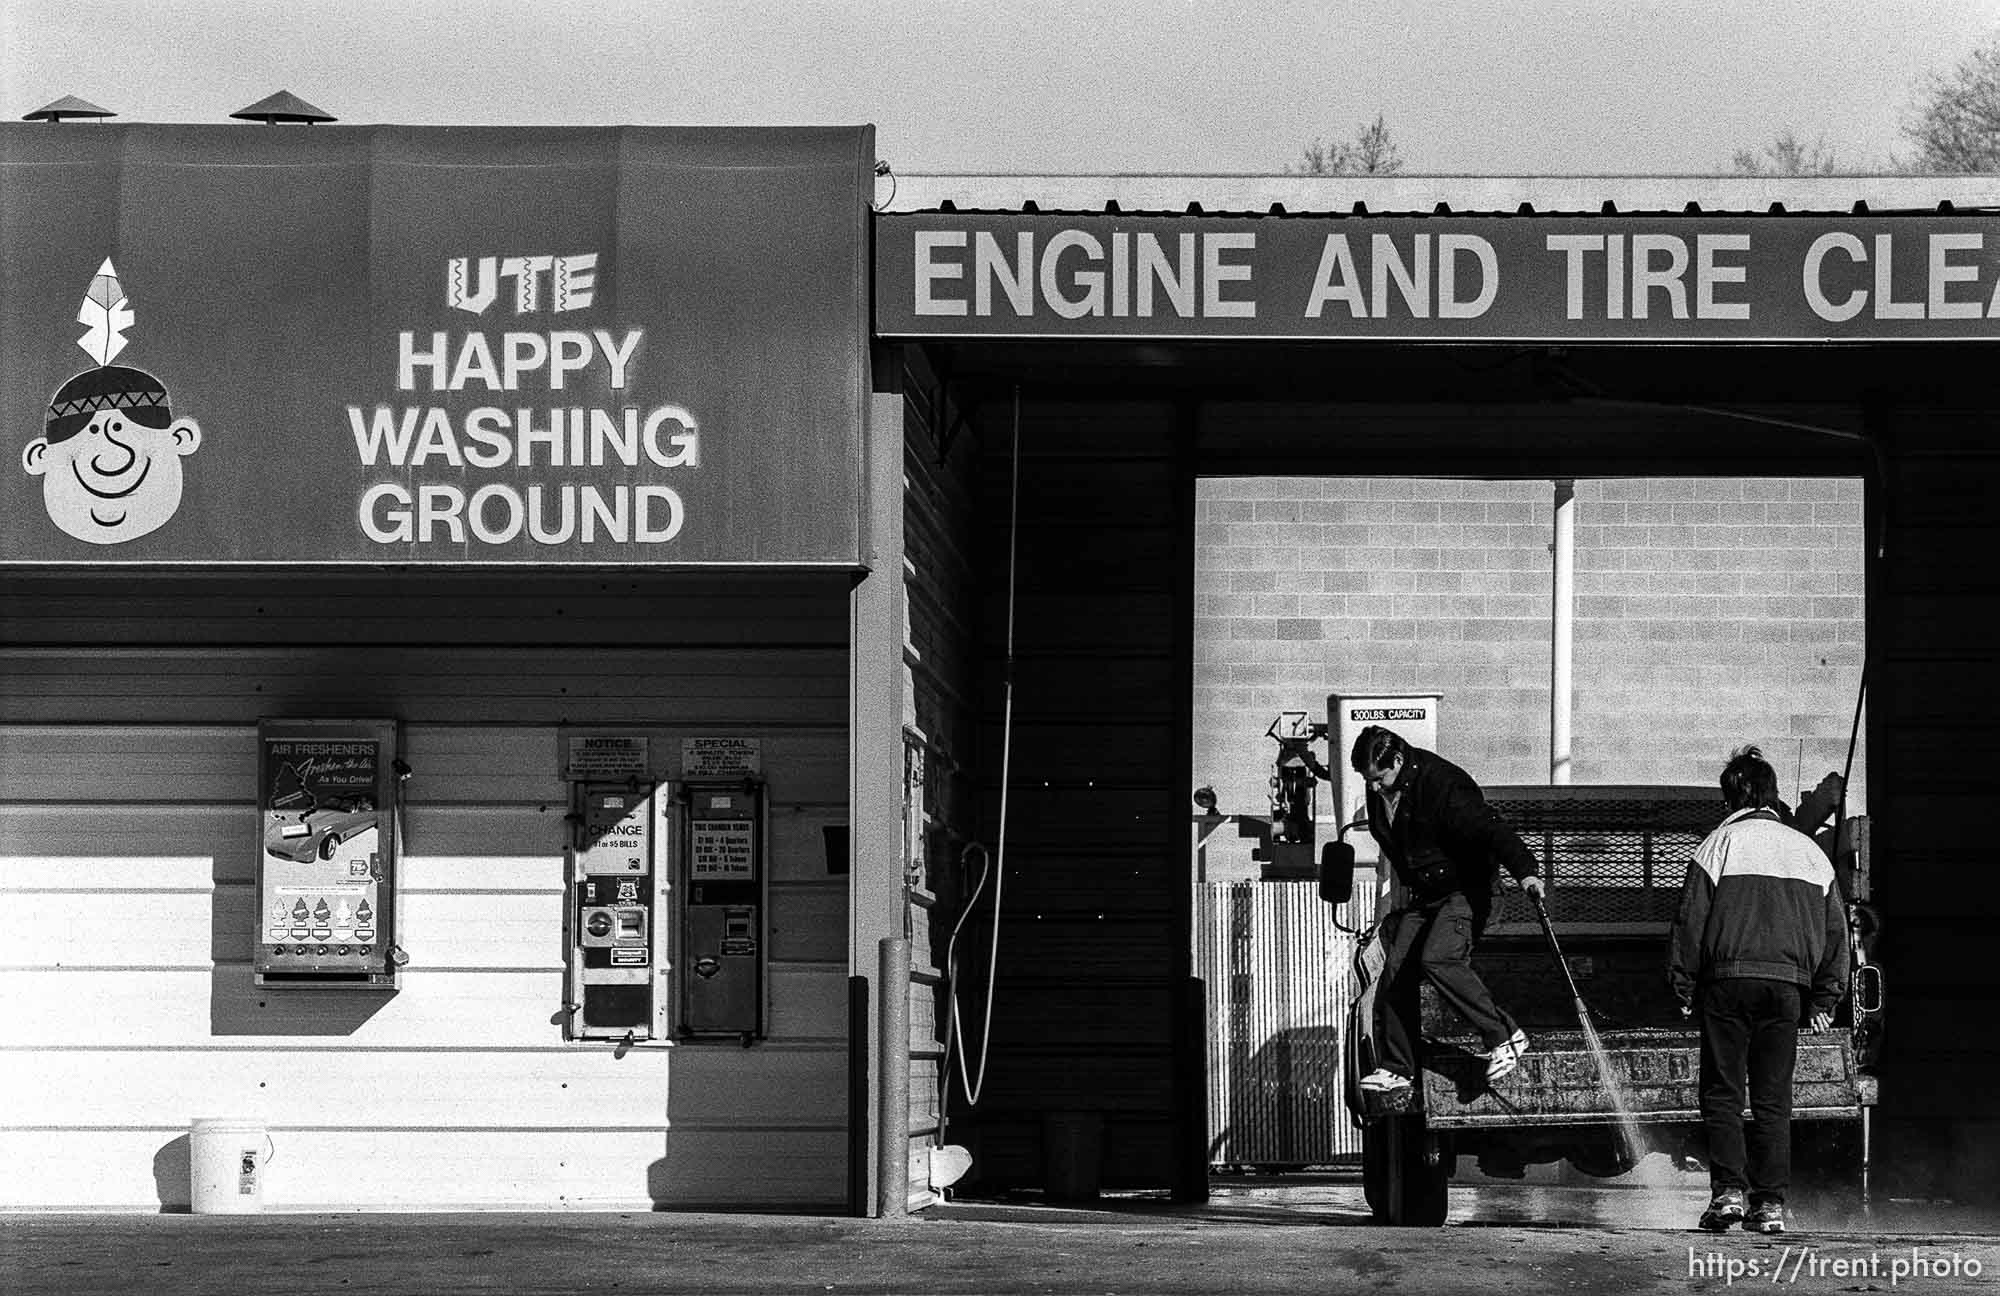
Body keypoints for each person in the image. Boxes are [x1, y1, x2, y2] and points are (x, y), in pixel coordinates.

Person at [1670, 745, 1850, 1236]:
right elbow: (1837, 934)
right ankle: (1769, 1204)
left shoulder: (1716, 845)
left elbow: (1691, 921)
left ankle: (1727, 1194)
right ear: (1772, 796)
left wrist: (1683, 985)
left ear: (1731, 799)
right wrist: (1825, 999)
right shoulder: (1809, 852)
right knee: (1773, 1098)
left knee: (1723, 1093)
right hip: (1787, 989)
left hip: (1727, 984)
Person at [1349, 725, 1545, 1099]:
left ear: (1399, 760)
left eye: (1379, 777)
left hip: (1467, 890)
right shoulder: (1382, 790)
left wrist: (1526, 872)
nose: (1373, 788)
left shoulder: (1443, 785)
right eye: (1367, 780)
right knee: (1394, 971)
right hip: (1428, 895)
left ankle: (1505, 1037)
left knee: (1438, 958)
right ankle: (1397, 1069)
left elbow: (1493, 830)